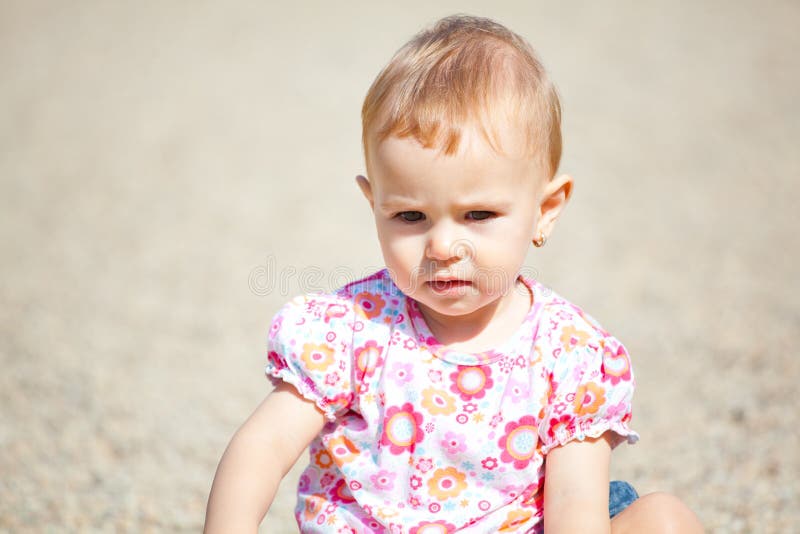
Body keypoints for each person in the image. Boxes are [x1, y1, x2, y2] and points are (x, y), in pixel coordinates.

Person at [204, 14, 704, 533]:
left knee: (664, 519)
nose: (442, 246)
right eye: (410, 216)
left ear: (546, 208)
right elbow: (263, 446)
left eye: (478, 215)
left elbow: (575, 507)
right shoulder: (352, 331)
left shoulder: (569, 355)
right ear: (373, 203)